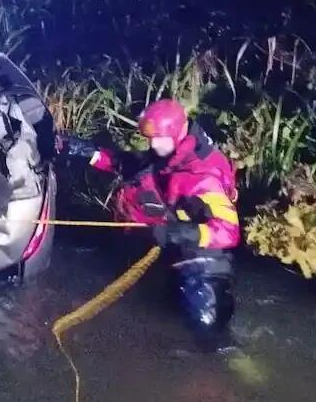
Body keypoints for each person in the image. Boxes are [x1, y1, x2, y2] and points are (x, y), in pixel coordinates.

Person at [58, 98, 239, 350]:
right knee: (166, 313)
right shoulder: (173, 153)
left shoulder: (201, 178)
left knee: (208, 334)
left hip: (203, 264)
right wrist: (89, 153)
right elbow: (131, 166)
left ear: (176, 133)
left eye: (159, 139)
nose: (153, 145)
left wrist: (176, 233)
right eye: (150, 139)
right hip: (173, 248)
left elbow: (228, 232)